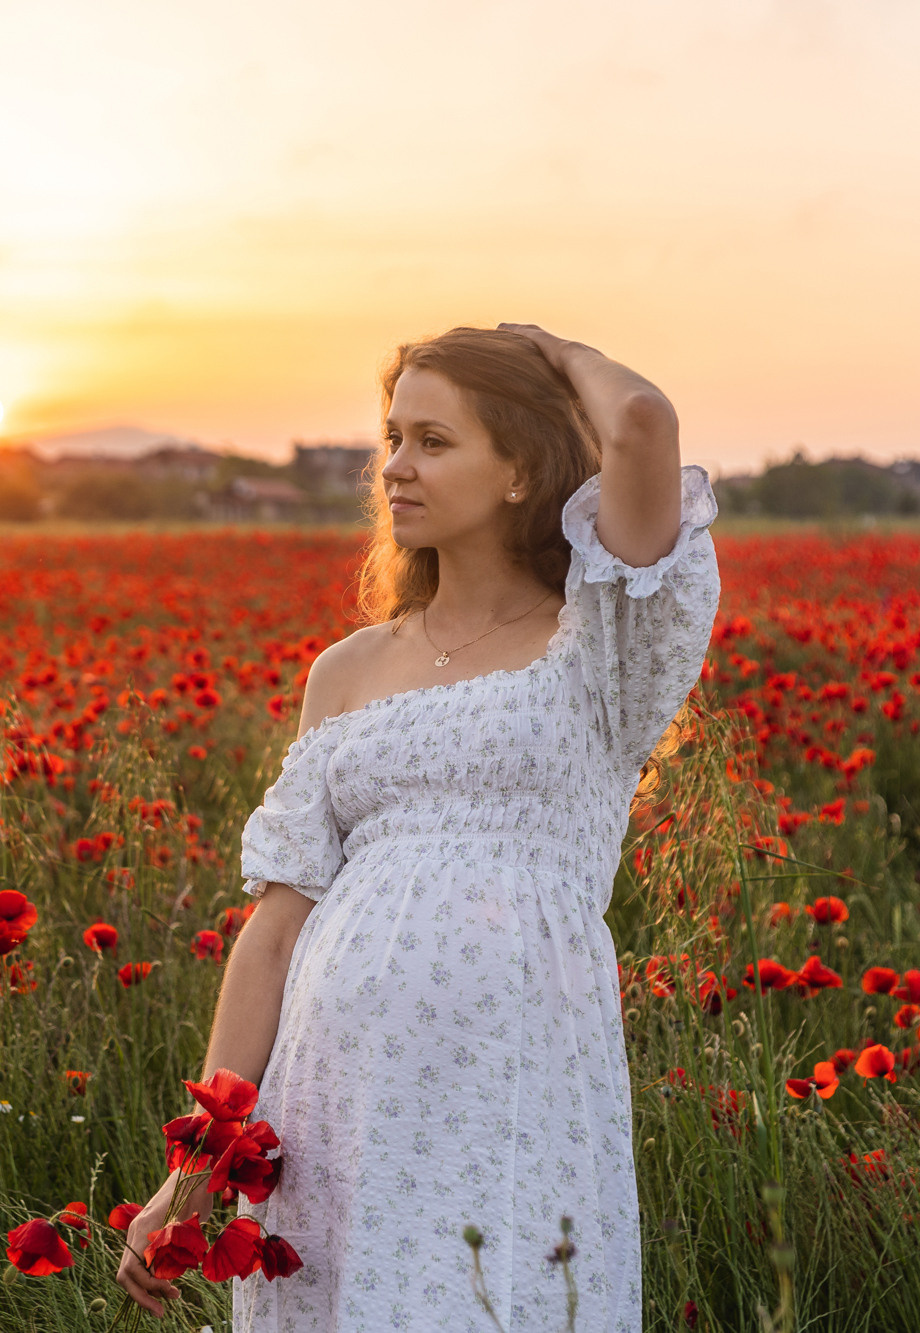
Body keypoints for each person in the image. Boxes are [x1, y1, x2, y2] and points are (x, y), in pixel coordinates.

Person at [115, 323, 722, 1331]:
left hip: (511, 1086)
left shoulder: (600, 645)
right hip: (331, 1101)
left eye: (433, 441)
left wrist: (551, 352)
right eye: (391, 438)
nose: (394, 467)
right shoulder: (346, 670)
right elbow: (273, 930)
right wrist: (197, 1164)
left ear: (522, 469)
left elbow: (643, 424)